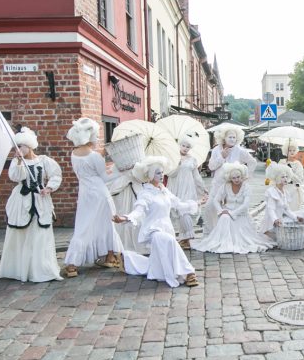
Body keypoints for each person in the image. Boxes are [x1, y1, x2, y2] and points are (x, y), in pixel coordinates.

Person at [114, 156, 199, 288]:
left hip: (167, 229)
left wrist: (197, 203)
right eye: (158, 173)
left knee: (157, 266)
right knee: (170, 241)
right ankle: (188, 272)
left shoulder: (164, 191)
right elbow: (138, 210)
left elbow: (179, 204)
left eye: (162, 172)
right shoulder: (145, 194)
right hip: (153, 230)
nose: (162, 175)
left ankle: (127, 259)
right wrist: (126, 218)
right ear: (150, 175)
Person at [0, 127, 63, 283]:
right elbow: (15, 176)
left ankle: (42, 269)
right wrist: (19, 161)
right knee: (22, 234)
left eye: (21, 146)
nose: (18, 149)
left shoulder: (44, 160)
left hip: (41, 201)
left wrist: (49, 188)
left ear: (29, 145)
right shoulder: (16, 162)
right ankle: (21, 270)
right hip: (22, 202)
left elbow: (56, 174)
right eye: (17, 147)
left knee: (41, 234)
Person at [63, 118, 123, 278]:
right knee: (107, 224)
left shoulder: (73, 155)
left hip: (85, 194)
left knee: (83, 227)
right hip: (100, 194)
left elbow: (90, 174)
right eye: (96, 136)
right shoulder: (95, 156)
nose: (97, 139)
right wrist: (121, 170)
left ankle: (72, 264)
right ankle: (110, 256)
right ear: (90, 136)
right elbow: (104, 178)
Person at [194, 163, 273, 254]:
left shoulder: (246, 187)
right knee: (224, 217)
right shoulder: (225, 186)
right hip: (226, 212)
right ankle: (223, 241)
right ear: (230, 178)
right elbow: (216, 200)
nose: (236, 180)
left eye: (238, 177)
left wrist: (232, 213)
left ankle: (232, 241)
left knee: (227, 218)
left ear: (242, 176)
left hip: (241, 215)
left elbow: (245, 205)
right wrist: (221, 211)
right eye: (233, 178)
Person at [205, 126, 256, 234]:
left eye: (234, 137)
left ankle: (226, 233)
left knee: (228, 210)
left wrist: (246, 176)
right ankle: (212, 232)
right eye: (230, 137)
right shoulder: (216, 150)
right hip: (218, 184)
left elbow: (252, 162)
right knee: (210, 206)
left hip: (232, 186)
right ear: (224, 138)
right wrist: (221, 157)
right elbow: (211, 167)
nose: (232, 139)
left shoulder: (240, 150)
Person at [166, 136, 208, 249]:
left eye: (188, 147)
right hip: (175, 187)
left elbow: (196, 176)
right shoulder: (172, 158)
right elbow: (170, 174)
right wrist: (177, 165)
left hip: (188, 187)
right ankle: (181, 237)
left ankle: (188, 237)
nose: (185, 148)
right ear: (179, 145)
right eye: (183, 145)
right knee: (177, 211)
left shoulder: (192, 159)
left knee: (185, 211)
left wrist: (202, 187)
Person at [262, 162, 304, 243]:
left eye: (286, 176)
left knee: (303, 214)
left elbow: (287, 210)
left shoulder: (285, 192)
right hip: (274, 222)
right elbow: (270, 209)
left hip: (281, 218)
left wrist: (296, 218)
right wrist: (275, 220)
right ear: (277, 178)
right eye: (282, 177)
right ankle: (271, 233)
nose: (285, 179)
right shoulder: (272, 191)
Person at [279, 139, 304, 212]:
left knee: (293, 211)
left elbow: (299, 179)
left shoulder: (298, 164)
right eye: (290, 150)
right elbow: (278, 176)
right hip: (283, 189)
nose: (292, 152)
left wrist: (290, 172)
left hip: (294, 190)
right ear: (286, 151)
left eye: (294, 150)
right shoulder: (281, 162)